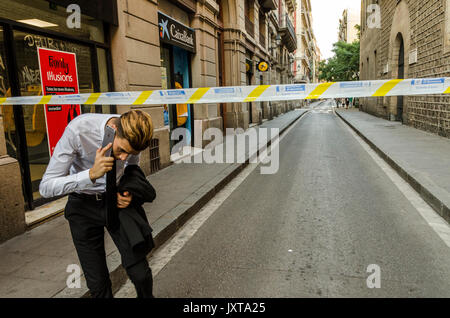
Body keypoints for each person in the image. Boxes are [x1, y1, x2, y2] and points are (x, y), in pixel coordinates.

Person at [39, 109, 155, 298]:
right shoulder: (79, 130)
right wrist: (91, 174)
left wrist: (130, 194)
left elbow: (132, 169)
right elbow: (46, 187)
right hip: (82, 206)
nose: (124, 158)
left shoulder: (132, 138)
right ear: (112, 129)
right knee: (98, 283)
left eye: (131, 152)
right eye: (122, 150)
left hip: (116, 204)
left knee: (140, 273)